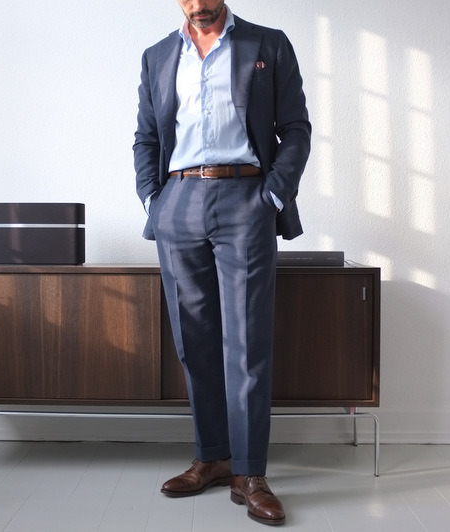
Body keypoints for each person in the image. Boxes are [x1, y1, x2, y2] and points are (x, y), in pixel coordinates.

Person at [133, 0, 310, 526]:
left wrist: (272, 197)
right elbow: (147, 136)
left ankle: (250, 474)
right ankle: (212, 457)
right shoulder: (157, 56)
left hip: (245, 199)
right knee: (194, 341)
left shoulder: (267, 44)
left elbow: (295, 128)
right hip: (179, 200)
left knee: (248, 343)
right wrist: (154, 201)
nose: (198, 6)